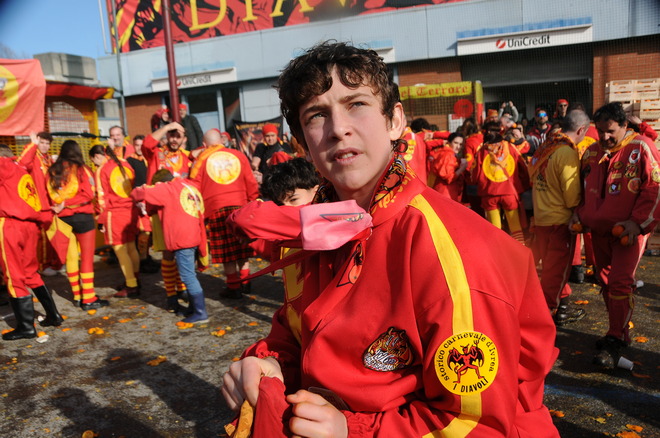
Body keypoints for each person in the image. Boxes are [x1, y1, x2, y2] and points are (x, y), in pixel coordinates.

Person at [221, 41, 559, 437]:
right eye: (317, 115)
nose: (338, 128)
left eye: (357, 104)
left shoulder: (453, 250)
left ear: (395, 121)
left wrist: (351, 431)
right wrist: (271, 364)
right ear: (303, 143)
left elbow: (477, 423)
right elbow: (296, 334)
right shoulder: (314, 228)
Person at [570, 102, 660, 368]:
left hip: (628, 233)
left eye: (610, 131)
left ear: (624, 125)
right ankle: (617, 331)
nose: (605, 137)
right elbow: (583, 189)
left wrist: (637, 224)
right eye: (600, 131)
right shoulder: (591, 152)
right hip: (599, 232)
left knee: (620, 283)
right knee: (606, 281)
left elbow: (654, 188)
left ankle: (616, 337)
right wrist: (580, 214)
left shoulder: (642, 147)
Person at [529, 109, 590, 326]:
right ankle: (544, 317)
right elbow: (572, 194)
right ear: (581, 130)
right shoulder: (566, 152)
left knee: (553, 268)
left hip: (542, 217)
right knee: (556, 272)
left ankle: (562, 307)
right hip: (560, 221)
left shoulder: (546, 146)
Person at [0, 146, 63, 340]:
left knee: (13, 275)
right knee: (30, 272)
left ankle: (26, 327)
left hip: (10, 225)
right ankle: (53, 315)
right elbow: (26, 159)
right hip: (29, 226)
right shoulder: (20, 169)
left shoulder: (4, 166)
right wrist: (33, 145)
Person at [131, 169, 209, 324]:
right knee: (190, 274)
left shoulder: (167, 188)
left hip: (182, 238)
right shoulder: (189, 186)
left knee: (188, 276)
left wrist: (148, 187)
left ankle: (201, 313)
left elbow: (137, 193)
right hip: (195, 234)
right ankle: (193, 308)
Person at [189, 129, 259, 299]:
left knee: (227, 252)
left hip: (216, 209)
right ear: (221, 140)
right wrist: (252, 203)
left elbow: (194, 187)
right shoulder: (238, 155)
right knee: (241, 248)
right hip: (240, 206)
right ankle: (246, 282)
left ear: (204, 144)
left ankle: (233, 286)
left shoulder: (201, 160)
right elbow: (251, 182)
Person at [47, 141, 109, 310]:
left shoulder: (53, 170)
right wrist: (69, 203)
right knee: (87, 258)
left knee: (71, 258)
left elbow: (50, 194)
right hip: (82, 216)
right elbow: (89, 193)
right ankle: (88, 297)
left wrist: (62, 205)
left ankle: (76, 295)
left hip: (62, 218)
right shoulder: (83, 169)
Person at [141, 122, 193, 312]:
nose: (174, 139)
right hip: (161, 212)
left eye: (178, 135)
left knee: (182, 252)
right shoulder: (157, 154)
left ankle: (182, 288)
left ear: (184, 138)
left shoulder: (188, 158)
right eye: (171, 135)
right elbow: (146, 144)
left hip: (183, 212)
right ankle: (171, 295)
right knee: (168, 254)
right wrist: (168, 126)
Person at [90, 145, 141, 298]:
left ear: (97, 157)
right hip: (130, 209)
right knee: (131, 246)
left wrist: (100, 219)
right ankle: (135, 279)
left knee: (120, 250)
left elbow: (101, 198)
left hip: (115, 213)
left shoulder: (102, 170)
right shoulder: (125, 163)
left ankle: (131, 285)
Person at [472, 120, 530, 244]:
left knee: (495, 229)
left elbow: (475, 175)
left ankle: (497, 253)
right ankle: (520, 250)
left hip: (489, 194)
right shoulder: (510, 147)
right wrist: (524, 185)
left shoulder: (482, 151)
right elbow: (522, 166)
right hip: (509, 192)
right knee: (515, 227)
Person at [429, 132, 468, 202]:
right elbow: (449, 177)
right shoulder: (448, 155)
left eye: (460, 144)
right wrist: (462, 168)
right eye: (455, 143)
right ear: (449, 142)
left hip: (443, 191)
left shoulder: (444, 152)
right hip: (446, 193)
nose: (458, 146)